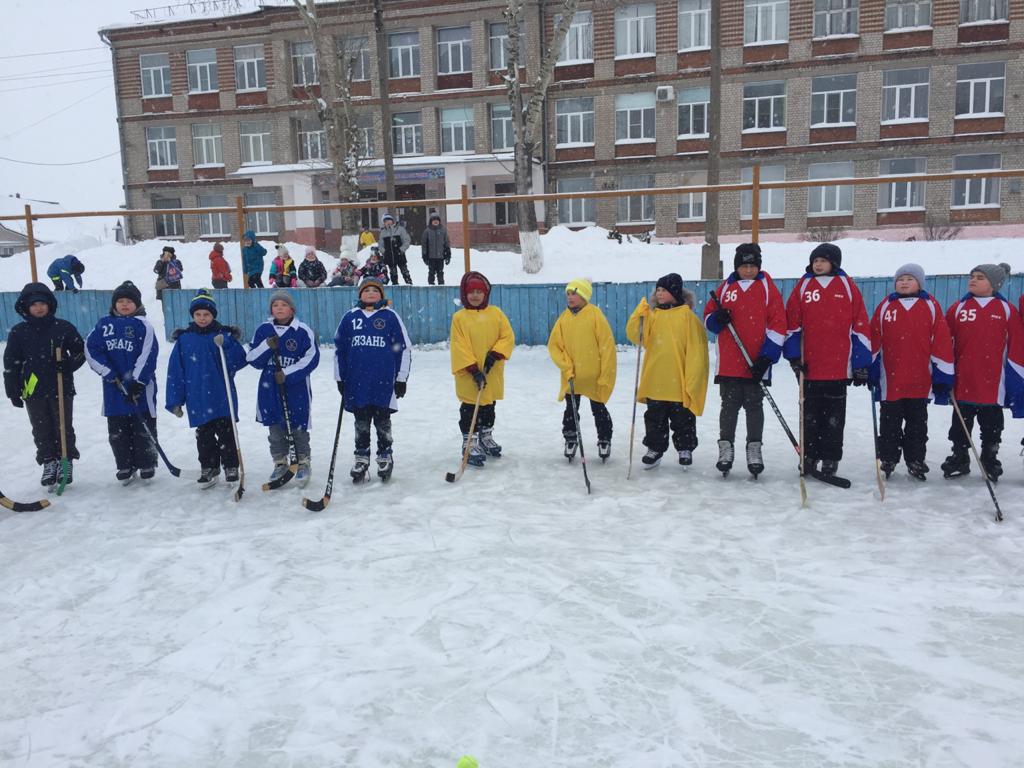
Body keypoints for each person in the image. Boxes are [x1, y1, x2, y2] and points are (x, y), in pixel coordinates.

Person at [783, 243, 871, 481]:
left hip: (838, 366)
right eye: (815, 260)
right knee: (809, 416)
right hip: (810, 367)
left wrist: (861, 362)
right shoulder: (803, 286)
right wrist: (794, 356)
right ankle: (809, 456)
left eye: (823, 260)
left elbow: (860, 326)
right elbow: (792, 323)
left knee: (834, 418)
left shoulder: (847, 286)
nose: (818, 264)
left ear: (834, 263)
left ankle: (831, 458)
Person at [703, 243, 786, 477]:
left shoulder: (767, 287)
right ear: (736, 267)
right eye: (744, 266)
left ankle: (754, 448)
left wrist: (767, 356)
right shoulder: (726, 287)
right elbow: (709, 318)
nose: (748, 270)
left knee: (754, 406)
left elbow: (778, 323)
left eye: (752, 266)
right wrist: (717, 318)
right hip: (730, 360)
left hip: (756, 363)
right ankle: (725, 447)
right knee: (728, 406)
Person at [869, 264, 954, 481]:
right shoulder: (886, 306)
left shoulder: (930, 305)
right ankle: (888, 458)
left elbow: (941, 341)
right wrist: (869, 367)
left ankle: (915, 459)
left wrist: (943, 372)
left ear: (920, 282)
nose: (904, 282)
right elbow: (874, 338)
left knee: (917, 425)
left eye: (909, 279)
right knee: (890, 423)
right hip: (891, 378)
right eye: (900, 279)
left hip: (919, 379)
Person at [941, 263, 1024, 481]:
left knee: (992, 425)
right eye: (972, 276)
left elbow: (1016, 344)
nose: (974, 280)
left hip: (994, 381)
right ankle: (959, 456)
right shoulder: (958, 308)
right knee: (960, 424)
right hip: (964, 379)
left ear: (994, 284)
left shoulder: (1006, 309)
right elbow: (944, 339)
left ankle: (990, 457)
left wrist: (1016, 376)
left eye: (980, 277)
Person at [3, 282, 85, 487]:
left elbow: (81, 351)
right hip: (33, 388)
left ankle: (65, 460)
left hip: (61, 386)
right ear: (26, 307)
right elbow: (11, 362)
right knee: (41, 429)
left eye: (42, 303)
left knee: (63, 426)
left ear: (50, 305)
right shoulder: (18, 332)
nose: (38, 308)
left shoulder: (63, 328)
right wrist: (13, 390)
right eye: (34, 304)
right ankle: (48, 461)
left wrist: (67, 365)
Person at [165, 290, 248, 488]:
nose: (202, 318)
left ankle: (231, 466)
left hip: (221, 394)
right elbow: (176, 372)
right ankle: (209, 467)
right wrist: (175, 401)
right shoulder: (185, 340)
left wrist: (227, 343)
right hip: (198, 396)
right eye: (198, 315)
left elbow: (240, 360)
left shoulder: (222, 335)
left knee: (227, 433)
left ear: (213, 316)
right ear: (193, 316)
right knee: (204, 436)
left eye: (206, 315)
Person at [626, 273, 709, 469]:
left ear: (675, 292)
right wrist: (639, 315)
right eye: (658, 290)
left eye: (664, 290)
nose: (660, 294)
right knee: (655, 417)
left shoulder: (688, 317)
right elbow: (636, 336)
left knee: (683, 418)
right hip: (656, 377)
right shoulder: (653, 316)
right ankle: (655, 448)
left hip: (678, 378)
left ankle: (684, 448)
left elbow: (697, 350)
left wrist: (693, 377)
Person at [334, 277, 411, 482]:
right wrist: (340, 378)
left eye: (374, 290)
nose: (370, 293)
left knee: (383, 421)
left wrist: (401, 378)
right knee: (361, 422)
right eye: (365, 290)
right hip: (357, 381)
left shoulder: (390, 316)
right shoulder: (350, 317)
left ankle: (385, 455)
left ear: (382, 295)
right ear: (359, 294)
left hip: (383, 382)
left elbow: (403, 349)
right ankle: (361, 457)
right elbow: (339, 350)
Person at [85, 281, 160, 485]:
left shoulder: (143, 325)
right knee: (118, 430)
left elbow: (148, 353)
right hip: (114, 388)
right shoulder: (103, 325)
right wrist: (107, 371)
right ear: (114, 304)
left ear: (137, 304)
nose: (124, 304)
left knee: (142, 426)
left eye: (129, 301)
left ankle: (146, 463)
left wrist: (138, 381)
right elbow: (91, 349)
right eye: (120, 301)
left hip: (140, 389)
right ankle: (124, 464)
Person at [247, 291, 319, 487]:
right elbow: (252, 358)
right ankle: (280, 462)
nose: (279, 308)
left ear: (292, 309)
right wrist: (266, 346)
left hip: (296, 387)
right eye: (275, 305)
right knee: (275, 426)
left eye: (283, 305)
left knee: (298, 425)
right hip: (270, 387)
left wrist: (288, 374)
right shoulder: (264, 329)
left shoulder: (302, 330)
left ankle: (303, 461)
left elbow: (311, 358)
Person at [449, 271, 515, 466]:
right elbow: (459, 345)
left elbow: (507, 336)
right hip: (469, 373)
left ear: (485, 294)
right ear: (465, 295)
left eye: (479, 291)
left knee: (489, 406)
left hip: (491, 370)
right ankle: (469, 442)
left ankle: (486, 436)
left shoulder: (496, 314)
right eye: (471, 292)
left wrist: (495, 354)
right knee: (470, 407)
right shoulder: (459, 318)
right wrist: (473, 369)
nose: (475, 295)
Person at [547, 278, 616, 460]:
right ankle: (571, 438)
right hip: (573, 376)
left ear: (584, 295)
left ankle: (604, 439)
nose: (570, 297)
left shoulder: (595, 316)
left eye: (575, 293)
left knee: (599, 408)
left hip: (594, 376)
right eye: (568, 294)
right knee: (571, 410)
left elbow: (607, 347)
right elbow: (554, 346)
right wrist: (566, 367)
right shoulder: (563, 319)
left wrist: (605, 374)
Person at [378, 212, 412, 285]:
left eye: (389, 220)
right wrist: (384, 252)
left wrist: (401, 249)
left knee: (405, 272)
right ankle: (395, 286)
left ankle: (409, 285)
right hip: (390, 256)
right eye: (385, 221)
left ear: (392, 221)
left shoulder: (400, 229)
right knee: (393, 274)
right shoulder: (383, 232)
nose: (388, 222)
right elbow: (380, 244)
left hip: (400, 255)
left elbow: (406, 241)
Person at [421, 211, 452, 286]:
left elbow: (447, 242)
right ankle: (431, 285)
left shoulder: (443, 230)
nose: (435, 221)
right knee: (431, 272)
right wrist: (424, 255)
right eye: (433, 220)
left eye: (437, 220)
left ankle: (441, 285)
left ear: (439, 221)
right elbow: (424, 244)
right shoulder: (427, 231)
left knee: (440, 272)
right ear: (431, 221)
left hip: (440, 257)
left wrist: (448, 254)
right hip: (431, 257)